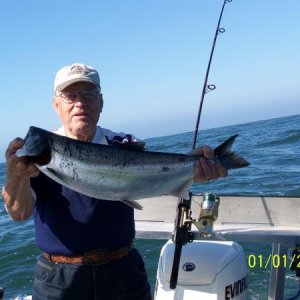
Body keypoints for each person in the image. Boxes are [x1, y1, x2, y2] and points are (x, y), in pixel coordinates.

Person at [2, 63, 227, 300]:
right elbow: (19, 214)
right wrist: (14, 175)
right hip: (59, 279)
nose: (80, 102)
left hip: (123, 272)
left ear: (101, 102)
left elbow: (157, 173)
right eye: (70, 95)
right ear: (56, 104)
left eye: (88, 94)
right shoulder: (37, 155)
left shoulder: (123, 143)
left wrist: (193, 166)